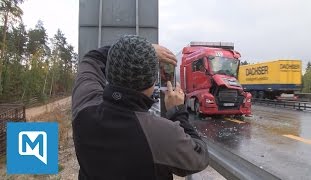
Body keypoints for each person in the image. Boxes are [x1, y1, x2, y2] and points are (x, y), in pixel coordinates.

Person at [72, 35, 209, 180]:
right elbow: (199, 157)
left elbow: (92, 58)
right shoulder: (161, 133)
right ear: (153, 81)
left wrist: (127, 52)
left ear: (110, 73)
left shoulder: (84, 106)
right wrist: (177, 112)